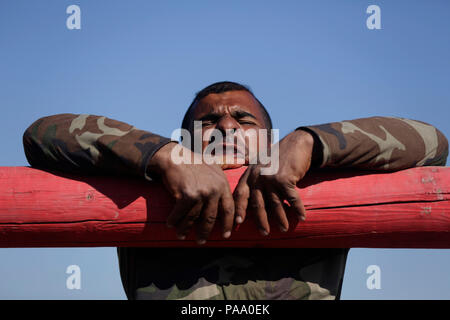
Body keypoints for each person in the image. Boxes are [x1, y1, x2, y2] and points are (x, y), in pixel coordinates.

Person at [22, 81, 448, 300]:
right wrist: (163, 156)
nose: (225, 127)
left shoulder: (313, 179)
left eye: (245, 121)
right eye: (207, 122)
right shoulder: (146, 176)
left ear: (270, 139)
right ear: (184, 138)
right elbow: (41, 135)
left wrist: (308, 142)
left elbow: (432, 143)